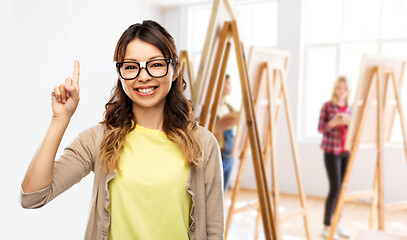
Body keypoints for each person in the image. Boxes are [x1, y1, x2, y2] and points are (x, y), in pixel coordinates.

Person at [20, 20, 224, 240]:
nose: (143, 76)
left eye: (155, 64)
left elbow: (213, 231)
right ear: (120, 74)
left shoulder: (203, 143)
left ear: (175, 70)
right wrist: (60, 119)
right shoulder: (98, 139)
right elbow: (32, 197)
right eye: (131, 66)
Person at [318, 76, 352, 239]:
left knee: (342, 189)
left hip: (346, 151)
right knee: (335, 188)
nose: (341, 91)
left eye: (344, 88)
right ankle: (326, 225)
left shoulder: (350, 108)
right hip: (331, 151)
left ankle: (337, 224)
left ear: (348, 91)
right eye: (339, 88)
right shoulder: (327, 106)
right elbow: (320, 128)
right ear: (335, 89)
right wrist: (333, 123)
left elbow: (354, 129)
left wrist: (347, 123)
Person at [213, 74, 239, 192]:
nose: (230, 87)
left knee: (223, 192)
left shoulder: (230, 108)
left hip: (229, 155)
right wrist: (220, 128)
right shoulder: (211, 109)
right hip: (218, 154)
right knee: (215, 192)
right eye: (228, 83)